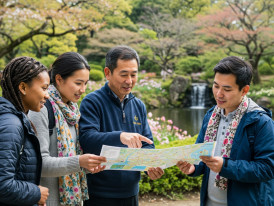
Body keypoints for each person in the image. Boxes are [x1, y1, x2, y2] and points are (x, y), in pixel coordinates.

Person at [176, 56, 274, 206]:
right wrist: (193, 167)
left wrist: (226, 166)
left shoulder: (261, 122)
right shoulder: (211, 115)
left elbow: (268, 168)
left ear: (244, 90)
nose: (219, 94)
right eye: (216, 86)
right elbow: (200, 154)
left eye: (227, 89)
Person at [79, 45, 164, 206]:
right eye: (124, 74)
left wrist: (150, 165)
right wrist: (120, 136)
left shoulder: (138, 105)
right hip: (98, 194)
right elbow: (86, 139)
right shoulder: (92, 101)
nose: (129, 81)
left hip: (131, 192)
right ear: (107, 73)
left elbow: (148, 144)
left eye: (133, 74)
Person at [28, 52, 106, 206]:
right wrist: (79, 162)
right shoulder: (42, 108)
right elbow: (40, 164)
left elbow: (73, 157)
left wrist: (88, 165)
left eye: (85, 83)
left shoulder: (72, 110)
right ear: (59, 79)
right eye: (78, 83)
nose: (83, 89)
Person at [0, 57, 50, 206]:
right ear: (23, 88)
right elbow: (2, 185)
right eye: (44, 88)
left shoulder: (15, 119)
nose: (47, 95)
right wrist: (36, 193)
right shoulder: (11, 125)